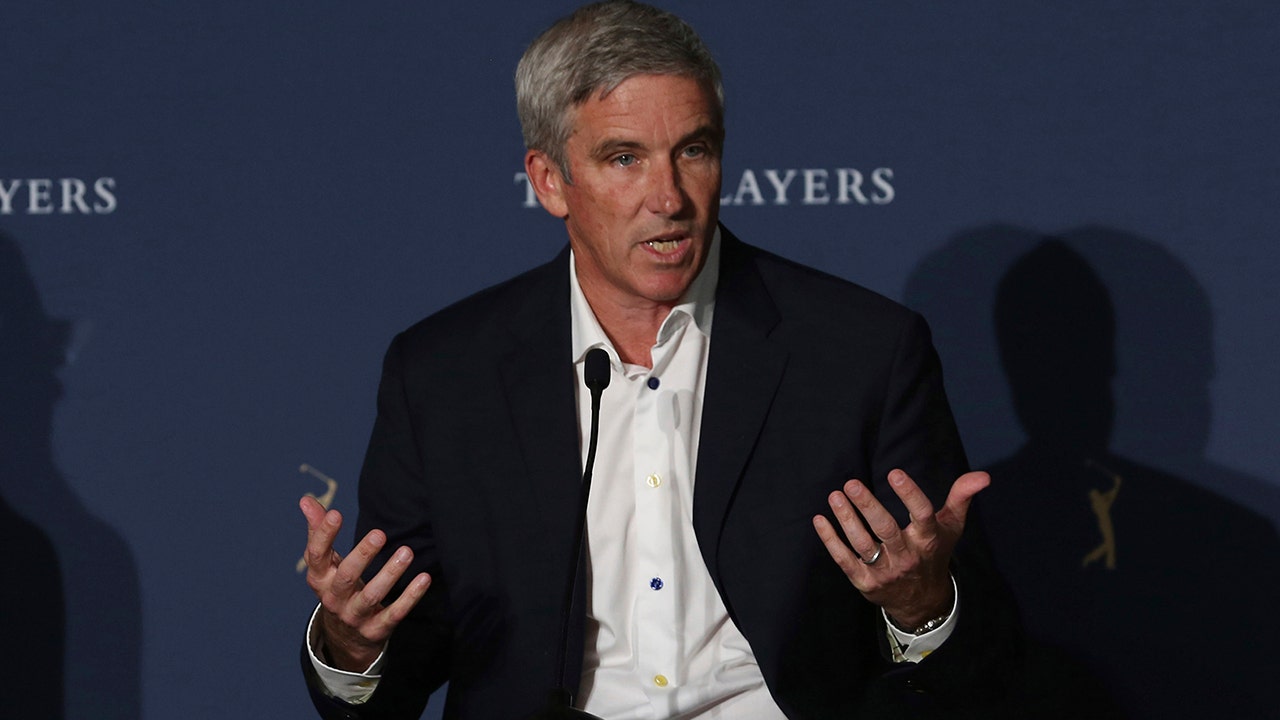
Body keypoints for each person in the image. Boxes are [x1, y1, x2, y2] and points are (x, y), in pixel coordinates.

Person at [300, 2, 1016, 717]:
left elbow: (976, 654)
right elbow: (398, 658)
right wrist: (351, 646)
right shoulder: (445, 375)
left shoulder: (859, 351)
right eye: (624, 159)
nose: (669, 198)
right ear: (549, 181)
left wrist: (921, 607)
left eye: (693, 151)